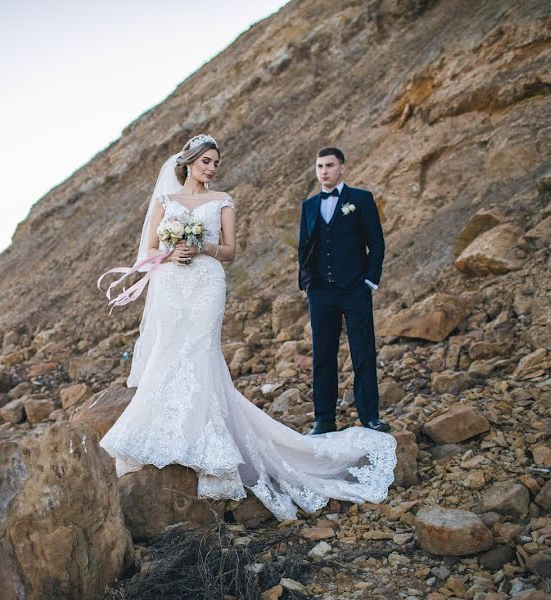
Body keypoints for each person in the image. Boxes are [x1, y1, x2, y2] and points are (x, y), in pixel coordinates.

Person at [98, 135, 396, 520]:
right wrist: (173, 251)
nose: (211, 168)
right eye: (206, 161)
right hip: (172, 285)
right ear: (188, 162)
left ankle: (212, 450)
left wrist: (203, 248)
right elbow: (149, 252)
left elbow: (230, 251)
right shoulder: (164, 202)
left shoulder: (223, 200)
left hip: (207, 283)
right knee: (169, 351)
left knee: (200, 352)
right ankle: (161, 436)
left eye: (215, 163)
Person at [298, 147, 389, 436]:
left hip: (355, 289)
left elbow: (376, 243)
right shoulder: (309, 206)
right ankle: (324, 419)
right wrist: (308, 284)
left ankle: (370, 416)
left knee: (363, 352)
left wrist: (369, 282)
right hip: (321, 292)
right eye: (319, 166)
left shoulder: (361, 200)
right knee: (323, 355)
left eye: (329, 165)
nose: (323, 171)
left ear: (342, 168)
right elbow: (304, 248)